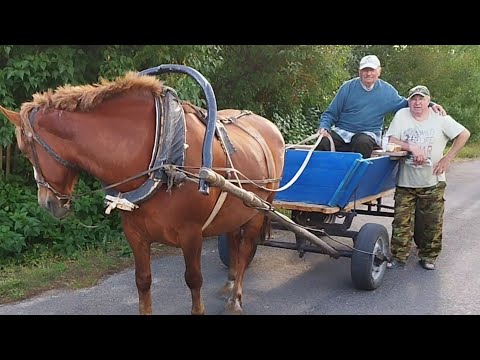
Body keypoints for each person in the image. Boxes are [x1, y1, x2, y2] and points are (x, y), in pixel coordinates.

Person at [386, 85, 470, 270]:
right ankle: (399, 255)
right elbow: (391, 141)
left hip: (433, 180)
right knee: (401, 222)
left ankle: (428, 256)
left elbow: (464, 134)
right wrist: (411, 147)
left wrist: (448, 158)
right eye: (414, 99)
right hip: (406, 181)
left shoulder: (439, 118)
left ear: (428, 101)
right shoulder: (402, 116)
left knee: (432, 222)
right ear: (409, 101)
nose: (417, 102)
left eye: (421, 99)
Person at [316, 55, 446, 159]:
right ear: (359, 71)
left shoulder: (386, 91)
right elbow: (330, 113)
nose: (368, 73)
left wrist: (431, 104)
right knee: (322, 141)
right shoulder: (347, 87)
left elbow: (407, 103)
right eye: (365, 70)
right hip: (344, 131)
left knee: (362, 142)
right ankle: (321, 179)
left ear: (379, 71)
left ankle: (356, 183)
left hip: (368, 133)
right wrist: (324, 127)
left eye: (371, 70)